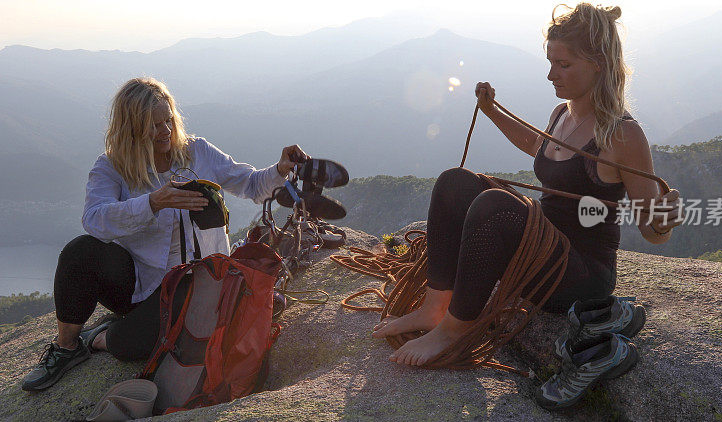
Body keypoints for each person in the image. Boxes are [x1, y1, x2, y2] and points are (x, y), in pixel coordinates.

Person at [372, 3, 682, 371]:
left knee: (494, 206)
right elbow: (536, 146)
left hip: (580, 273)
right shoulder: (562, 114)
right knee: (454, 183)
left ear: (598, 63)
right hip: (542, 249)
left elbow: (652, 232)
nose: (552, 75)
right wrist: (492, 112)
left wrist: (664, 219)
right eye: (551, 63)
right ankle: (435, 307)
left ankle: (455, 329)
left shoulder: (624, 134)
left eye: (564, 65)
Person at [22, 77, 308, 391]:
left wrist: (280, 169)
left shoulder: (196, 152)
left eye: (168, 121)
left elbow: (250, 184)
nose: (166, 132)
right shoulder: (111, 167)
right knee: (80, 251)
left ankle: (104, 337)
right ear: (131, 128)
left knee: (126, 345)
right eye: (154, 125)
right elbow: (94, 219)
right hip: (141, 284)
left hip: (199, 283)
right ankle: (66, 347)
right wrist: (153, 203)